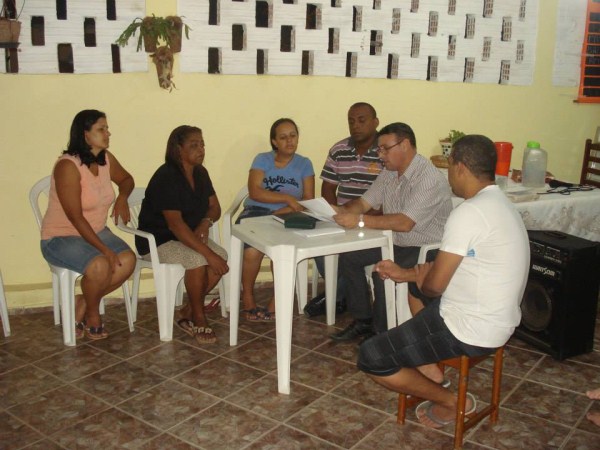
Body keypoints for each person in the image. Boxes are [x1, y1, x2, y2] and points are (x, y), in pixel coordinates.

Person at [358, 135, 530, 428]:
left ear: (460, 167)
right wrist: (406, 273)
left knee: (371, 356)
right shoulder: (500, 204)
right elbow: (453, 268)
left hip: (469, 329)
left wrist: (423, 280)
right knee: (414, 284)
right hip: (499, 320)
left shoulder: (468, 213)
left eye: (450, 166)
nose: (449, 174)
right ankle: (429, 364)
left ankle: (451, 402)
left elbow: (434, 286)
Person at [330, 122, 452, 340]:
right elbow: (365, 203)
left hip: (425, 247)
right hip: (396, 241)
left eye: (385, 148)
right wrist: (338, 211)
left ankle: (381, 333)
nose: (380, 155)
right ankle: (363, 321)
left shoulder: (428, 178)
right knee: (349, 257)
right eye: (379, 149)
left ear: (405, 145)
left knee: (382, 270)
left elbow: (405, 222)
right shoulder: (389, 172)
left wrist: (357, 220)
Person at [40, 109, 136, 340]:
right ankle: (93, 314)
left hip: (95, 231)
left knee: (128, 261)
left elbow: (127, 179)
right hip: (61, 237)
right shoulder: (67, 167)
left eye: (106, 128)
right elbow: (76, 218)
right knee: (100, 265)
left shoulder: (105, 159)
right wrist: (104, 250)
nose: (107, 133)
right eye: (101, 129)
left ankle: (84, 300)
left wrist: (122, 197)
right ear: (85, 135)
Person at [137, 125, 229, 345]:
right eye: (194, 145)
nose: (201, 149)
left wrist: (206, 223)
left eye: (202, 144)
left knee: (221, 257)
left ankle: (187, 309)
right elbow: (176, 226)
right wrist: (209, 254)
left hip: (187, 237)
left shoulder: (200, 173)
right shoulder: (166, 176)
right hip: (159, 240)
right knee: (199, 259)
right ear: (178, 149)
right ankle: (199, 316)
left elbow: (215, 207)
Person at [304, 102, 383, 317]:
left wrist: (360, 217)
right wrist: (333, 213)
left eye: (361, 120)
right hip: (341, 215)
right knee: (319, 242)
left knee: (351, 255)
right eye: (351, 121)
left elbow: (388, 197)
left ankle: (335, 296)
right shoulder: (339, 150)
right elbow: (328, 186)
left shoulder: (384, 151)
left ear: (375, 122)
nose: (355, 125)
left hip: (374, 219)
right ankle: (345, 294)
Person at [238, 118, 315, 321]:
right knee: (253, 251)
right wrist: (287, 198)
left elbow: (308, 199)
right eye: (283, 137)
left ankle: (276, 301)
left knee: (282, 251)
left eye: (293, 136)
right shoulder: (262, 159)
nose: (289, 141)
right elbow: (254, 192)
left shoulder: (304, 164)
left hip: (287, 215)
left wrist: (283, 210)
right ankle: (247, 296)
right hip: (256, 211)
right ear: (274, 142)